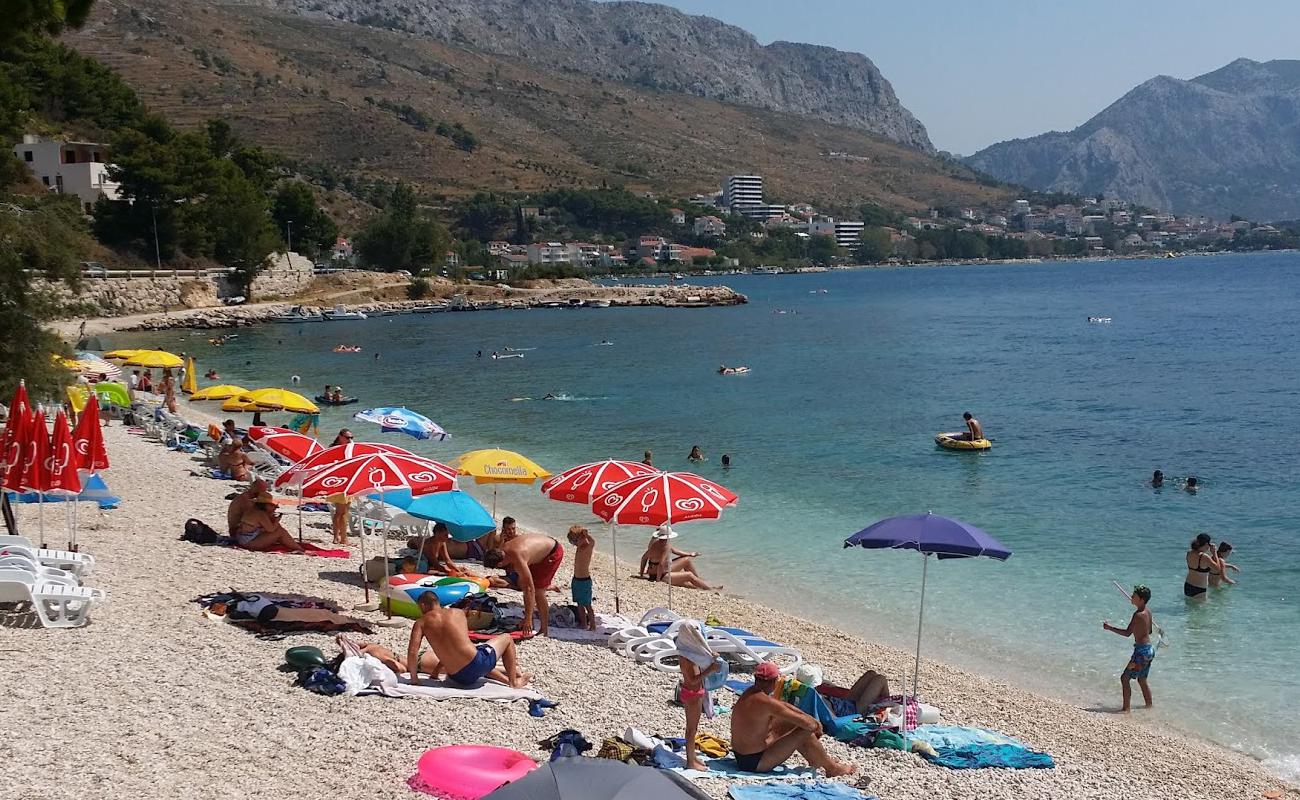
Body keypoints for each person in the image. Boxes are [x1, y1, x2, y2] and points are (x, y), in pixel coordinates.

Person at [730, 661, 855, 777]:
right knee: (805, 730)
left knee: (791, 723)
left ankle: (819, 759)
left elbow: (784, 706)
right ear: (774, 681)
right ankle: (832, 768)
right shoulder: (765, 702)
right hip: (755, 763)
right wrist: (816, 725)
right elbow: (808, 725)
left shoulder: (751, 693)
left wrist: (809, 718)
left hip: (742, 757)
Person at [405, 591, 530, 687]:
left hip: (458, 677)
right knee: (507, 638)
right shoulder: (457, 613)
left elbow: (412, 652)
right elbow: (458, 643)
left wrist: (415, 679)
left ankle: (507, 679)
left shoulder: (421, 623)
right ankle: (513, 682)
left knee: (474, 657)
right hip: (476, 664)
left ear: (423, 605)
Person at [483, 533, 565, 636]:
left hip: (552, 553)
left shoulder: (518, 558)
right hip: (541, 549)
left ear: (499, 564)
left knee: (538, 591)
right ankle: (533, 620)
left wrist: (528, 619)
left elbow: (529, 589)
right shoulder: (503, 550)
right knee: (527, 584)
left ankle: (544, 629)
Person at [1103, 584, 1154, 711]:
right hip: (1150, 650)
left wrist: (1110, 628)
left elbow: (1127, 633)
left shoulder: (1138, 615)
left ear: (1141, 599)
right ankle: (1149, 706)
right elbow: (1150, 631)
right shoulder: (1148, 611)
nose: (1131, 596)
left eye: (1134, 595)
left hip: (1141, 652)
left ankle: (1126, 709)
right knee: (1142, 679)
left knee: (1124, 678)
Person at [679, 643, 720, 771]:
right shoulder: (688, 657)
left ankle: (692, 757)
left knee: (693, 728)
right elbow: (692, 680)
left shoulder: (687, 653)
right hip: (693, 694)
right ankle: (691, 762)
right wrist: (710, 670)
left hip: (692, 693)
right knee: (691, 730)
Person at [639, 528, 720, 590]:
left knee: (687, 560)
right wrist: (658, 581)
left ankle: (699, 581)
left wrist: (690, 554)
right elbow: (661, 564)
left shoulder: (656, 544)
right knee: (689, 575)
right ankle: (710, 589)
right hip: (661, 575)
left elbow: (644, 558)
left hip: (657, 572)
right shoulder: (665, 547)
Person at [233, 492, 304, 552]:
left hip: (242, 538)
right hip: (248, 542)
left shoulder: (252, 510)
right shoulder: (260, 514)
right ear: (265, 505)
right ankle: (298, 548)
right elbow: (271, 529)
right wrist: (277, 520)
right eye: (271, 505)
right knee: (280, 531)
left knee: (278, 530)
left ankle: (294, 545)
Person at [818, 669, 891, 717]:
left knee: (870, 673)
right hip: (852, 713)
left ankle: (888, 707)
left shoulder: (811, 698)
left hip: (843, 703)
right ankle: (890, 708)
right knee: (881, 679)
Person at [567, 525, 595, 631]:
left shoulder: (588, 546)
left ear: (582, 538)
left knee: (587, 604)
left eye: (574, 541)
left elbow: (592, 542)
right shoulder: (580, 547)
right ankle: (583, 623)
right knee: (579, 604)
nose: (574, 544)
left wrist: (586, 534)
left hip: (584, 580)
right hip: (576, 579)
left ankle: (592, 625)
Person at [1184, 533, 1218, 600]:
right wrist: (1214, 553)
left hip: (1188, 585)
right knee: (1201, 610)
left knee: (1190, 609)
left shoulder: (1189, 553)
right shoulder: (1204, 557)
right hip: (1199, 588)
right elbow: (1217, 569)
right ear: (1206, 544)